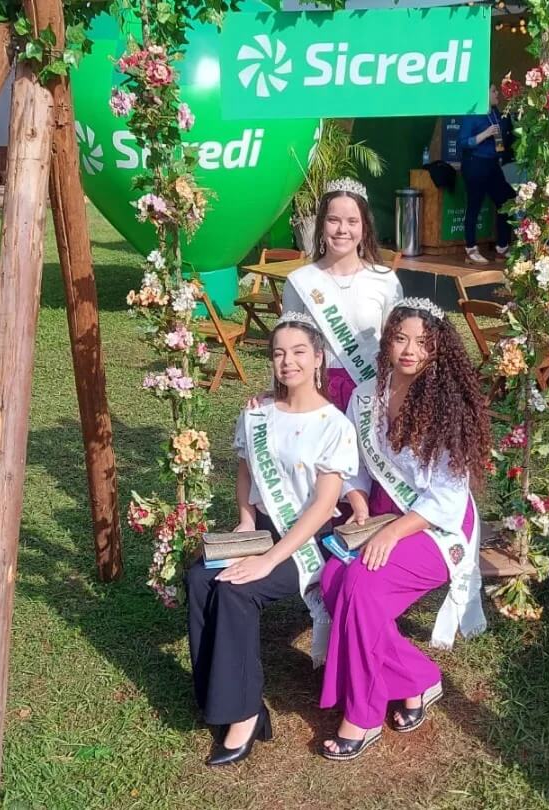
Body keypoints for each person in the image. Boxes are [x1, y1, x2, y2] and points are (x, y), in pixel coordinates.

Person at [318, 298, 491, 761]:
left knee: (361, 586)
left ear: (439, 348)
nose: (410, 350)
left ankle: (363, 715)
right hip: (379, 515)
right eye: (400, 339)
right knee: (334, 581)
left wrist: (393, 533)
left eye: (422, 342)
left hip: (435, 527)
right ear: (387, 343)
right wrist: (357, 501)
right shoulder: (365, 397)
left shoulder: (448, 406)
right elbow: (355, 466)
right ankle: (417, 678)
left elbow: (448, 499)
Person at [186, 312, 359, 766]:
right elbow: (245, 471)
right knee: (200, 578)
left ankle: (245, 713)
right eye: (279, 353)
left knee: (237, 591)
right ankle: (215, 696)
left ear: (318, 357)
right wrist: (245, 522)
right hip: (262, 527)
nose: (288, 362)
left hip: (307, 539)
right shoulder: (257, 413)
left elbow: (323, 505)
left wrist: (268, 560)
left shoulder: (334, 425)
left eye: (299, 352)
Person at [281, 178, 403, 412]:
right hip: (315, 393)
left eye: (352, 221)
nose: (342, 230)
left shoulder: (386, 281)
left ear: (364, 227)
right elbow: (286, 346)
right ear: (321, 224)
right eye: (333, 220)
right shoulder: (300, 281)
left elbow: (396, 345)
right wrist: (278, 396)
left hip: (369, 394)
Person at [456, 83, 515, 265]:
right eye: (494, 91)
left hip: (492, 163)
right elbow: (463, 142)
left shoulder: (496, 113)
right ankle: (471, 249)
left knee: (506, 200)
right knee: (475, 204)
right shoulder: (472, 114)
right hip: (475, 163)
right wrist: (486, 133)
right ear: (484, 94)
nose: (497, 94)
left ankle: (502, 247)